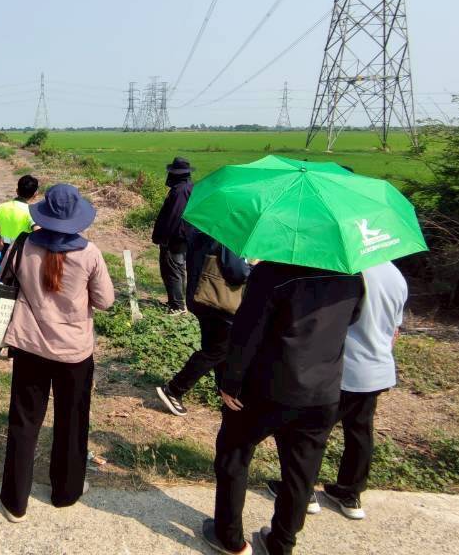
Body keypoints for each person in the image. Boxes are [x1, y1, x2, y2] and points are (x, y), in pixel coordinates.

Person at [203, 261, 364, 555]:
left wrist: (231, 381)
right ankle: (282, 543)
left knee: (233, 454)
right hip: (323, 391)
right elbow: (353, 317)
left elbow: (247, 330)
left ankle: (230, 538)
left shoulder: (273, 273)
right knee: (301, 472)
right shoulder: (353, 276)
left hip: (267, 388)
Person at [0, 184, 114, 523]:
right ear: (77, 218)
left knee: (24, 422)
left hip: (30, 347)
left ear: (44, 214)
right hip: (73, 354)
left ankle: (15, 501)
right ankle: (66, 492)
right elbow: (105, 301)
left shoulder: (23, 245)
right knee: (72, 421)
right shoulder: (89, 253)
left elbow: (5, 279)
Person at [267, 260, 408, 520]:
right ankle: (349, 492)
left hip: (341, 368)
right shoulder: (395, 275)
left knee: (309, 434)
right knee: (360, 431)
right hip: (377, 369)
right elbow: (394, 331)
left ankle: (303, 491)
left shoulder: (346, 272)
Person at [154, 227, 250, 416]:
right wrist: (253, 267)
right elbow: (237, 272)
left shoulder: (204, 229)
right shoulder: (230, 234)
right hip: (218, 304)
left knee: (216, 347)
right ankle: (174, 389)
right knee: (217, 350)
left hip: (201, 297)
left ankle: (224, 392)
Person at [0, 175, 40, 305]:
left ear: (17, 191)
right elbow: (38, 232)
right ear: (35, 194)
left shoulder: (2, 207)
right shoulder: (31, 212)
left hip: (4, 255)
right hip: (22, 259)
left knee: (1, 289)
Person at [151, 157, 195, 312]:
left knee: (172, 270)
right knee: (179, 269)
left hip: (175, 238)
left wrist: (163, 238)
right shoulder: (189, 187)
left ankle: (177, 306)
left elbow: (173, 217)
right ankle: (177, 302)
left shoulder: (179, 191)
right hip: (185, 236)